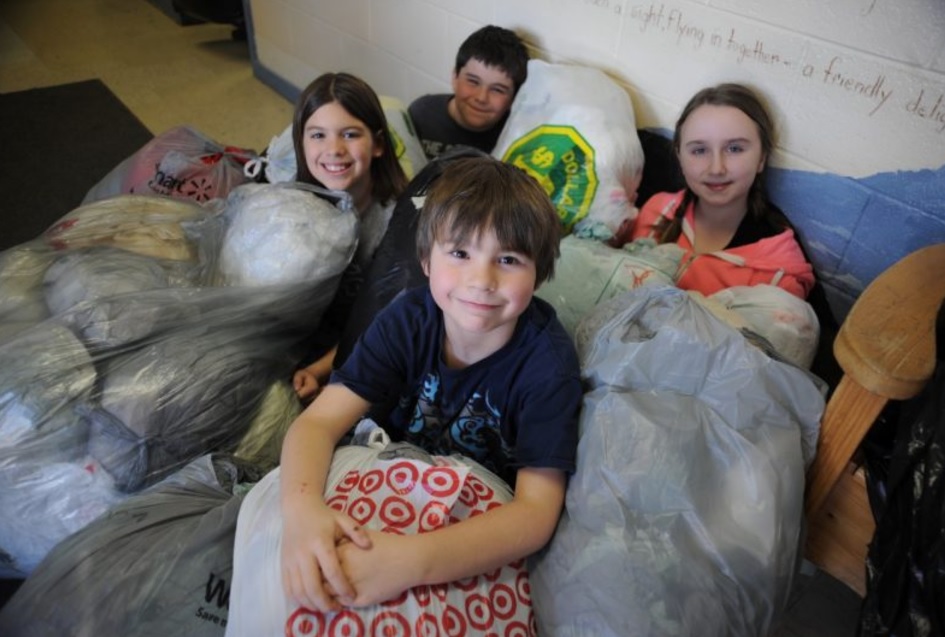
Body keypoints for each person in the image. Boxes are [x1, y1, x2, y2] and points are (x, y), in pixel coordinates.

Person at [279, 156, 583, 612]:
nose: (481, 281)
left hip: (476, 522)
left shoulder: (547, 367)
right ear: (425, 260)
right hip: (391, 477)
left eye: (508, 259)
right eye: (460, 253)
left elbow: (535, 512)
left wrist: (410, 561)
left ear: (537, 273)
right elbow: (319, 422)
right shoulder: (407, 320)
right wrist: (302, 516)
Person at [617, 83, 815, 299]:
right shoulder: (658, 210)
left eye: (734, 149)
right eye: (699, 150)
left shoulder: (778, 277)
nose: (716, 168)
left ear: (762, 158)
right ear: (680, 157)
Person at [290, 72, 408, 401]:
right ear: (301, 142)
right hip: (302, 344)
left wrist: (318, 370)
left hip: (365, 354)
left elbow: (386, 324)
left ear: (379, 144)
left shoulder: (397, 224)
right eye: (318, 135)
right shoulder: (290, 208)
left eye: (350, 134)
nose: (334, 149)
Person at [408, 25, 529, 160]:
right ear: (455, 77)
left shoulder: (516, 136)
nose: (481, 98)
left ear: (514, 98)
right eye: (473, 81)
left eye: (497, 89)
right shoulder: (421, 115)